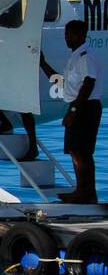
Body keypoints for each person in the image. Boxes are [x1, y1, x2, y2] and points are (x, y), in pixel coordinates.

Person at [41, 19, 101, 204]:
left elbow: (89, 83)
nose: (66, 37)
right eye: (66, 33)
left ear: (81, 35)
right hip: (79, 106)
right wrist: (42, 64)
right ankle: (82, 191)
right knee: (76, 151)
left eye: (70, 33)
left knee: (82, 152)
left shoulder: (85, 56)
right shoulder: (74, 57)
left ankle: (86, 192)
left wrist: (74, 110)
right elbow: (62, 82)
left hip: (85, 107)